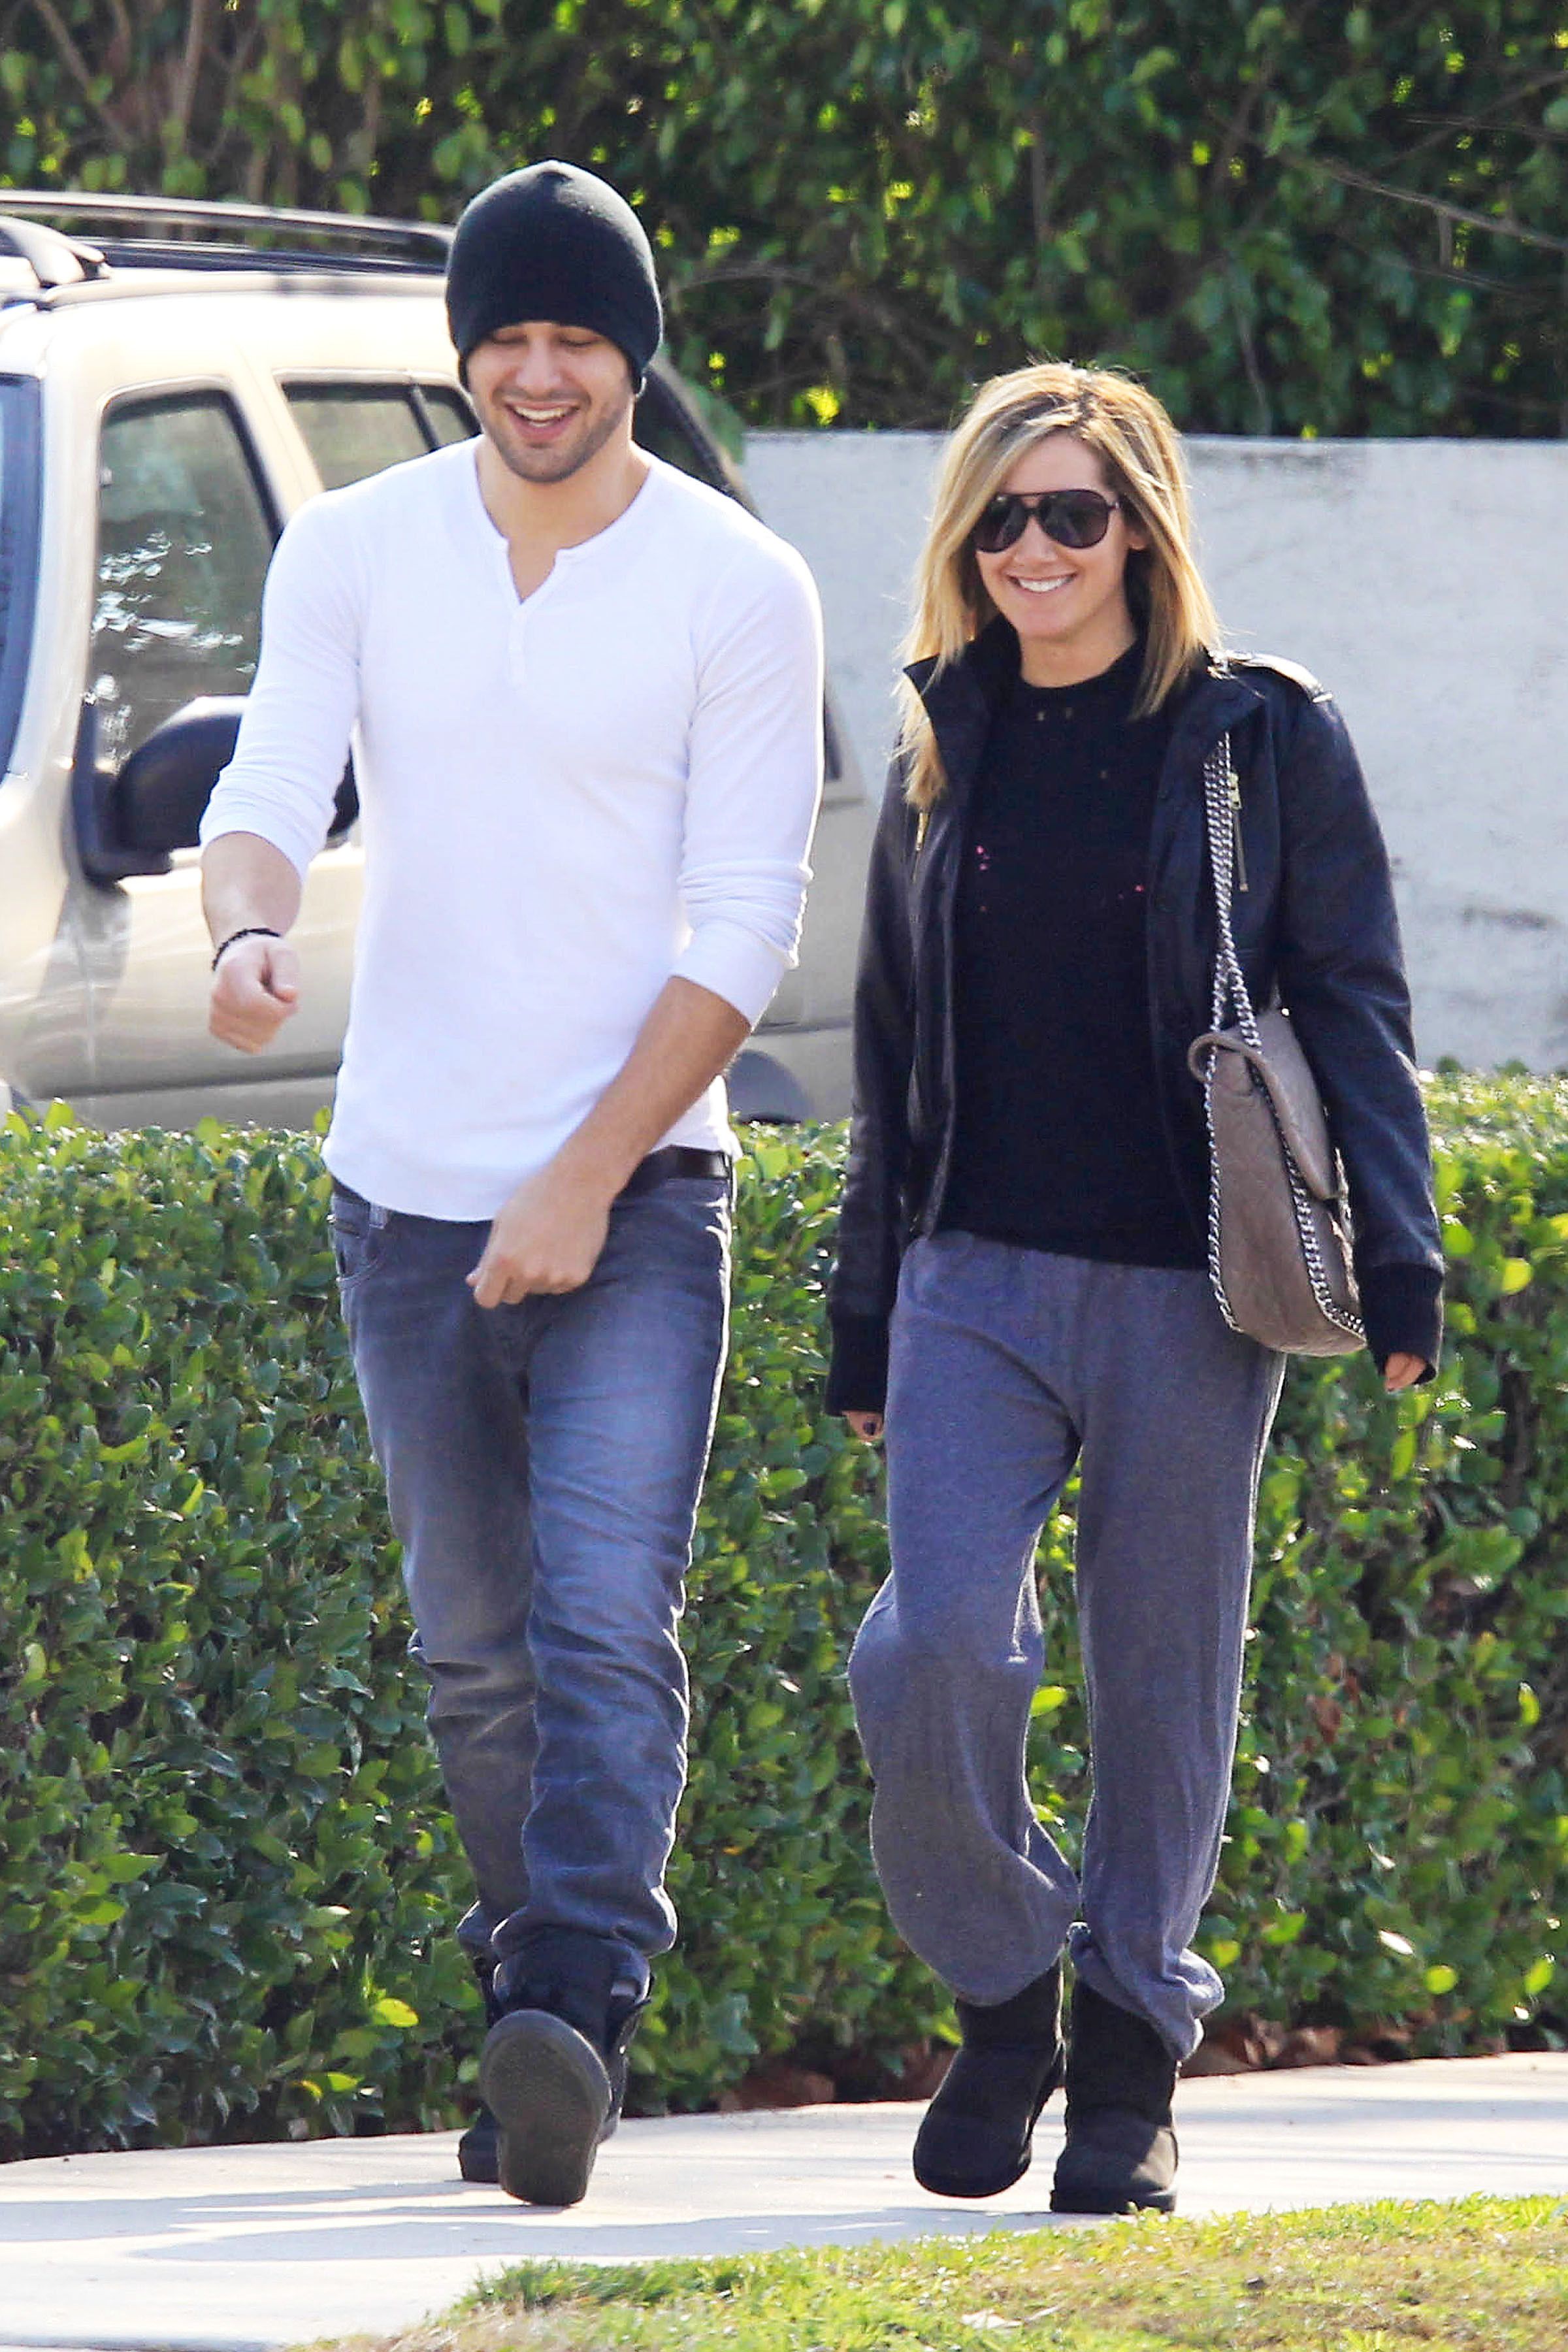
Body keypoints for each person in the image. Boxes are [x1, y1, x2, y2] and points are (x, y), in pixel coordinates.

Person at [201, 161, 823, 2208]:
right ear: (464, 348)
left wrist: (582, 1177)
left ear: (633, 353)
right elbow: (271, 786)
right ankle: (526, 2030)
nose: (540, 374)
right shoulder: (357, 546)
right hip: (404, 1190)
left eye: (578, 339)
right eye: (508, 337)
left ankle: (575, 2000)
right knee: (476, 1650)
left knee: (605, 1618)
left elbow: (744, 927)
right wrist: (245, 929)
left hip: (641, 1199)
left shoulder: (738, 583)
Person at [826, 361, 1440, 2217]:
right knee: (932, 1647)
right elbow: (888, 1049)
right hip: (975, 1274)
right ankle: (1009, 1984)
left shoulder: (1257, 737)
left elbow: (1351, 991)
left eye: (1074, 513)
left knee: (1164, 1680)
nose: (1036, 549)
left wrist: (1402, 1250)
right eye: (1001, 518)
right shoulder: (946, 740)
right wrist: (866, 1305)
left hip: (1190, 1278)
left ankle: (1129, 2060)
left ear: (1143, 532)